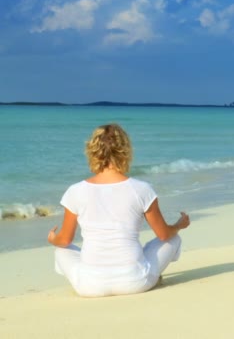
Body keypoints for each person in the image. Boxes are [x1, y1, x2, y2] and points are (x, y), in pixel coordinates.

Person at [47, 123, 190, 297]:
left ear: (93, 152)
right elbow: (164, 235)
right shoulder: (141, 189)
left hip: (89, 286)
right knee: (173, 239)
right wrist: (179, 225)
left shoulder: (75, 191)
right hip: (135, 282)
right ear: (126, 151)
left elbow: (64, 240)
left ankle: (94, 275)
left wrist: (53, 239)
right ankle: (153, 274)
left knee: (61, 250)